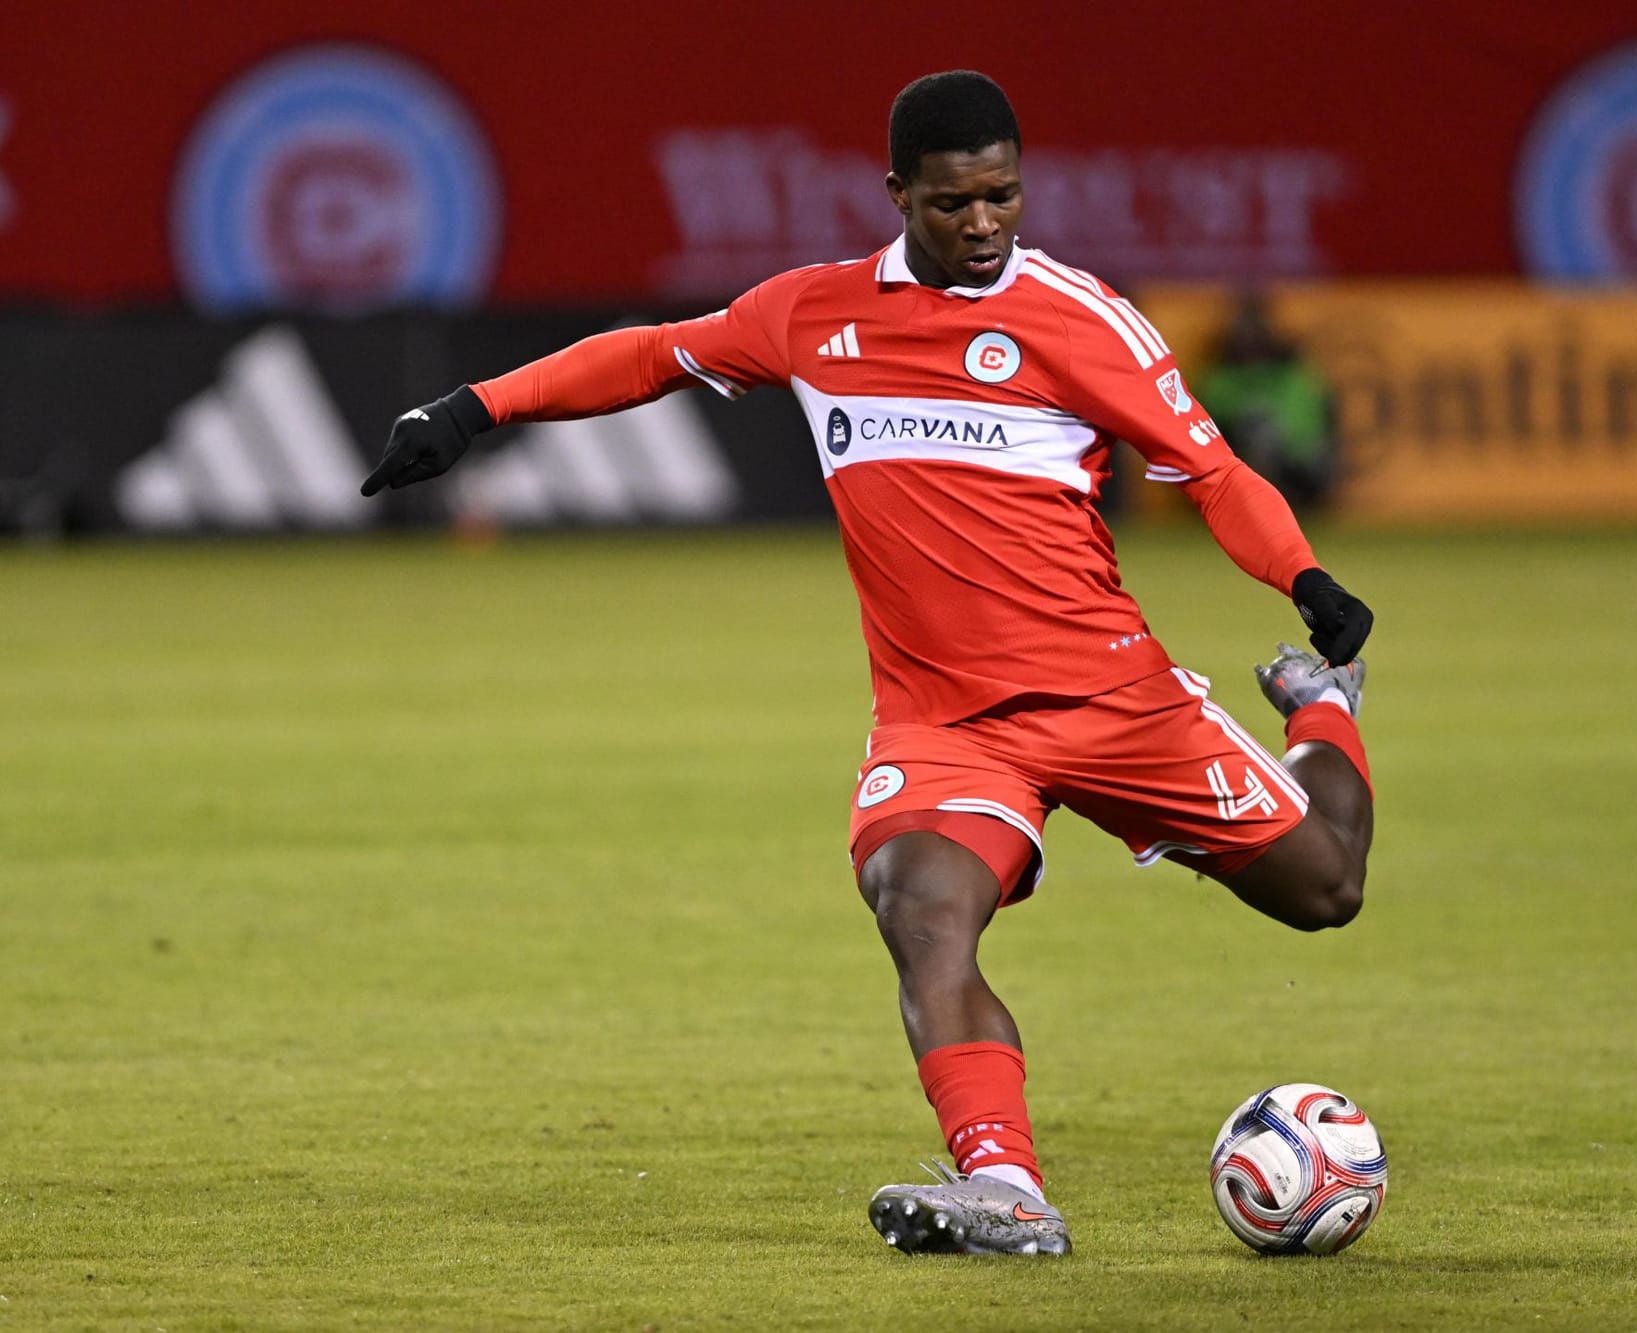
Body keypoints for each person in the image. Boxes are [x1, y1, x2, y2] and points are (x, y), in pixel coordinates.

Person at [361, 70, 1376, 1258]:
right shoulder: (815, 315)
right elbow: (654, 355)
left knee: (1327, 888)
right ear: (896, 193)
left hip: (1113, 698)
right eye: (956, 203)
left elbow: (1209, 473)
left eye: (1003, 196)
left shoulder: (1080, 318)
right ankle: (1005, 1187)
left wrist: (1302, 581)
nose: (986, 223)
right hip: (944, 724)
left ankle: (1321, 712)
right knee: (920, 908)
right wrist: (474, 408)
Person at [1199, 291, 1342, 508]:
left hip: (1300, 466)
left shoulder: (1296, 376)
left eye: (1254, 330)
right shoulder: (1219, 380)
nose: (1250, 339)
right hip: (1238, 470)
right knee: (1256, 429)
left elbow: (1321, 427)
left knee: (1266, 433)